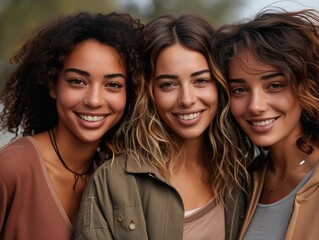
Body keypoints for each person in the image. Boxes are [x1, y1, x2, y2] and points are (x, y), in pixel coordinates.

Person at [74, 13, 249, 240]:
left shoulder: (241, 172)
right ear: (149, 93)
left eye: (201, 81)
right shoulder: (113, 182)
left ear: (219, 85)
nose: (186, 99)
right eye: (168, 84)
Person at [212, 8, 319, 239]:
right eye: (239, 90)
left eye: (275, 85)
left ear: (309, 86)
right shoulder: (246, 181)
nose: (255, 106)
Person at [0, 12, 145, 240]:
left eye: (113, 84)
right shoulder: (11, 168)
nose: (94, 100)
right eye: (78, 81)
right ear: (53, 85)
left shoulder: (110, 175)